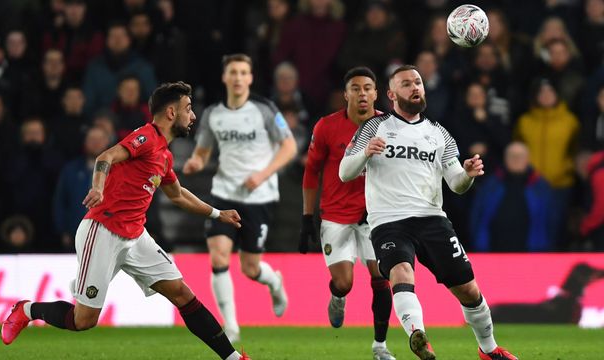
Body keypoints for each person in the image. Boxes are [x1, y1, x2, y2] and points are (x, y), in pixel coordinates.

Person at [1, 82, 250, 360]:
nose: (192, 116)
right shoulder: (146, 137)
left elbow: (178, 196)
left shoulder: (165, 156)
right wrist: (98, 187)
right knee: (82, 320)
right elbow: (105, 156)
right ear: (170, 112)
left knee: (182, 293)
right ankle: (26, 310)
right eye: (188, 109)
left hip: (135, 236)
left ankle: (233, 358)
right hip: (103, 230)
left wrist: (217, 213)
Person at [339, 65, 518, 360]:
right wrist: (365, 153)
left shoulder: (439, 135)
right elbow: (345, 173)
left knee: (469, 291)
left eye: (418, 82)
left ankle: (489, 350)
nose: (415, 88)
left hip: (432, 219)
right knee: (400, 271)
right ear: (391, 94)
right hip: (389, 222)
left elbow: (457, 185)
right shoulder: (373, 128)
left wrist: (469, 174)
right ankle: (418, 336)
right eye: (406, 84)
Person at [183, 53, 296, 343]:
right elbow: (203, 150)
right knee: (219, 257)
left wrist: (263, 173)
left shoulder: (265, 110)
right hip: (224, 194)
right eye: (232, 72)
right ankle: (231, 326)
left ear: (250, 78)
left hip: (259, 197)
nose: (237, 77)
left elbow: (289, 147)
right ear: (225, 77)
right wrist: (196, 161)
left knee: (250, 268)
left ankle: (274, 282)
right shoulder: (212, 115)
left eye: (243, 72)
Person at [300, 66, 395, 360]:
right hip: (336, 215)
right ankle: (337, 297)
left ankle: (380, 346)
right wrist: (306, 218)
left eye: (368, 88)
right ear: (346, 95)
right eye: (356, 88)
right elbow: (312, 171)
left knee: (381, 278)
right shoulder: (327, 127)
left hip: (375, 217)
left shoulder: (390, 126)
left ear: (376, 94)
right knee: (344, 283)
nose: (362, 94)